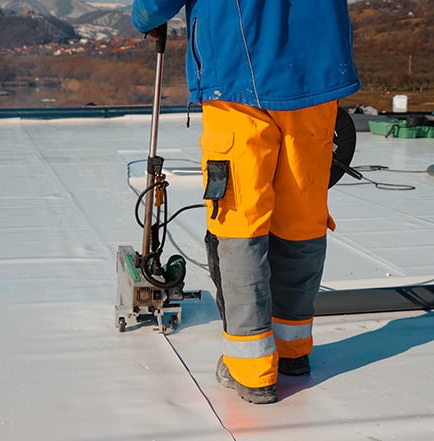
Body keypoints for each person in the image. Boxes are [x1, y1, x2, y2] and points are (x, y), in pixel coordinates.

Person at [132, 0, 361, 404]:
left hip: (240, 76)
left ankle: (251, 369)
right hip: (318, 72)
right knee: (301, 219)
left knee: (240, 222)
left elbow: (155, 4)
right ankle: (292, 351)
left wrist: (144, 18)